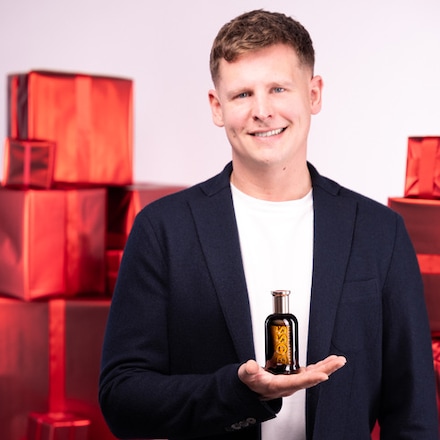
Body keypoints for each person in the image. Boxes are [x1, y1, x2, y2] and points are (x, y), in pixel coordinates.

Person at [99, 9, 438, 440]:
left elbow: (413, 415)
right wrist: (236, 392)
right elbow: (122, 397)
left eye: (278, 88)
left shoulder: (379, 232)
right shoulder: (162, 230)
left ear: (313, 94)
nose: (262, 111)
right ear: (217, 107)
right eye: (242, 94)